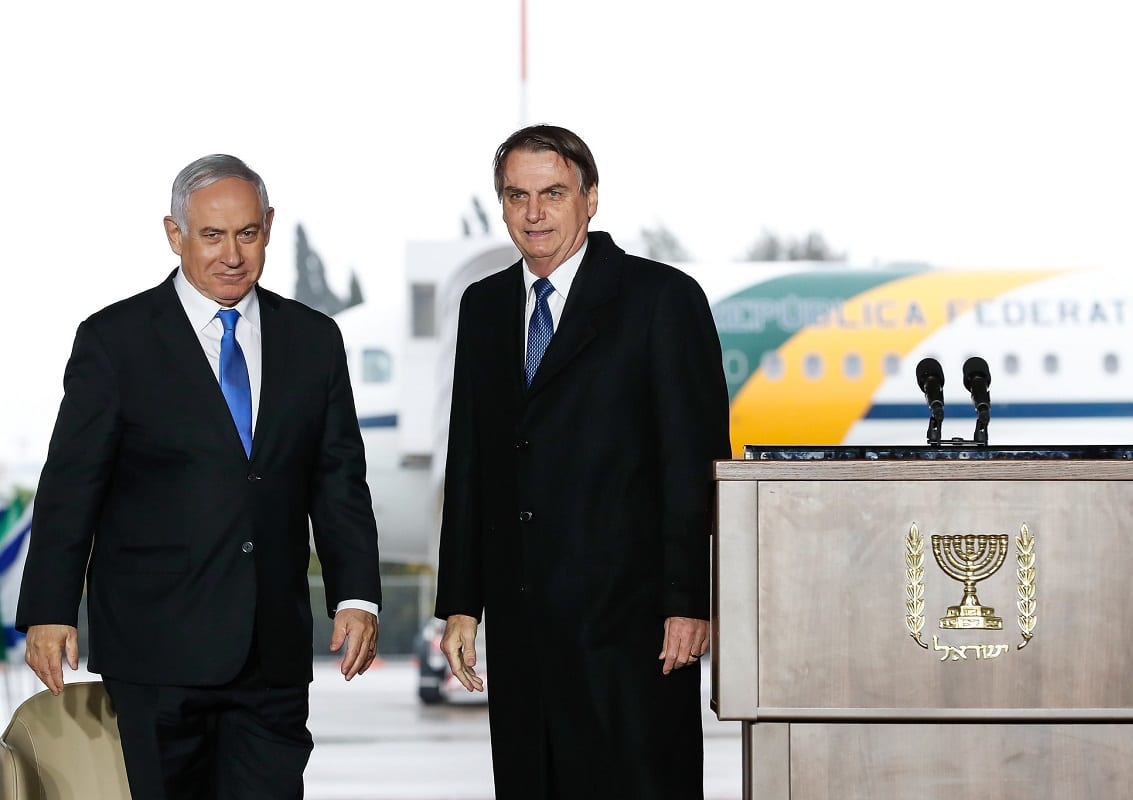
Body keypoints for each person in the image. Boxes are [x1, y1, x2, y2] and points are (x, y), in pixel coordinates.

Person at [16, 154, 382, 800]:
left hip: (271, 653)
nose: (232, 255)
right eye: (212, 235)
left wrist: (356, 596)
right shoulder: (115, 341)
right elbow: (73, 483)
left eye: (247, 233)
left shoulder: (314, 339)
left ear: (268, 227)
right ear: (174, 233)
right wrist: (49, 608)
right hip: (155, 650)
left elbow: (338, 478)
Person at [435, 125, 731, 799]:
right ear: (502, 205)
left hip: (633, 632)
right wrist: (460, 603)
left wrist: (690, 602)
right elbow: (472, 461)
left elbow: (692, 461)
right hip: (523, 629)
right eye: (517, 196)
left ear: (590, 199)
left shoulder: (661, 299)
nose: (534, 213)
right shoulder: (481, 308)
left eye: (553, 193)